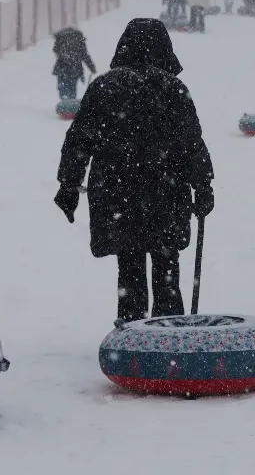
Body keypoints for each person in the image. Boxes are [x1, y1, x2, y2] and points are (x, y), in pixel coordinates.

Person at [54, 19, 215, 322]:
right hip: (165, 193)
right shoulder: (173, 89)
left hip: (118, 194)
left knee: (129, 266)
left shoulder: (103, 87)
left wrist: (69, 184)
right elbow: (193, 143)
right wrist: (203, 186)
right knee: (167, 265)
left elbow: (79, 140)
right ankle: (169, 331)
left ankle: (133, 331)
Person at [53, 27, 97, 100]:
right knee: (72, 87)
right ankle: (71, 104)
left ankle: (64, 103)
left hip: (62, 68)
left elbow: (55, 50)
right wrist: (92, 68)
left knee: (63, 87)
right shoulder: (79, 39)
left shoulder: (61, 39)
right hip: (75, 68)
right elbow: (85, 55)